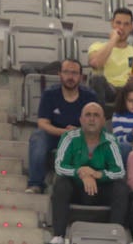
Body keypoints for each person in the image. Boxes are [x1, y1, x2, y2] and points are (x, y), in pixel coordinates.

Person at [47, 101, 129, 244]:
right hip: (77, 189)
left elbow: (119, 171)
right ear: (81, 120)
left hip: (101, 190)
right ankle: (58, 235)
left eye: (96, 115)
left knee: (121, 187)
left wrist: (97, 174)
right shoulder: (69, 137)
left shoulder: (111, 141)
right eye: (88, 115)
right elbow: (59, 166)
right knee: (61, 183)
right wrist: (81, 173)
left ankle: (114, 235)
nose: (92, 119)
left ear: (104, 121)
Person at [27, 58, 99, 194]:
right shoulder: (50, 94)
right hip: (55, 135)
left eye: (74, 73)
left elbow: (96, 124)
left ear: (81, 77)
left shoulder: (90, 97)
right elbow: (42, 123)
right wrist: (63, 132)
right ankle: (35, 184)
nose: (70, 77)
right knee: (38, 136)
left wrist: (78, 132)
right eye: (66, 72)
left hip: (81, 137)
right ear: (59, 74)